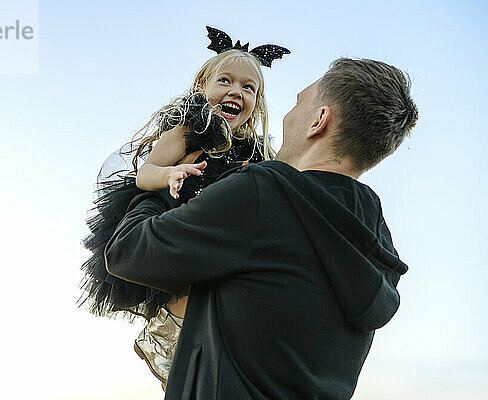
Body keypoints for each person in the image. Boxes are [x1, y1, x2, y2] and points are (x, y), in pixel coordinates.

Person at [105, 57, 418, 399]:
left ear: (319, 121)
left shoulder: (262, 194)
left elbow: (127, 252)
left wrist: (166, 180)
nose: (287, 115)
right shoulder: (374, 235)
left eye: (299, 103)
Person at [78, 27, 289, 388]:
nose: (235, 91)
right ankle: (177, 356)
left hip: (217, 239)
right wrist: (171, 174)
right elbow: (145, 173)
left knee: (213, 309)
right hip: (176, 226)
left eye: (248, 87)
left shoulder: (257, 151)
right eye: (225, 81)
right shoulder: (188, 131)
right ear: (202, 88)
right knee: (184, 305)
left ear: (258, 102)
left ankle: (199, 365)